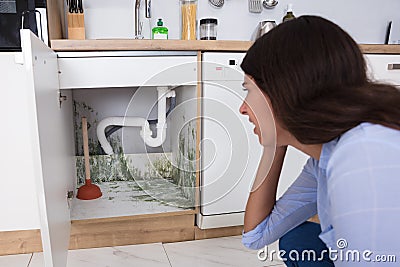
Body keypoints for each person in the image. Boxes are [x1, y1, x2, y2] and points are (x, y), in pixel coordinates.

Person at [239, 15, 400, 266]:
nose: (243, 108)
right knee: (297, 240)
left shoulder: (363, 155)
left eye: (248, 89)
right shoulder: (323, 159)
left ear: (285, 89)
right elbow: (255, 235)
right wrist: (274, 143)